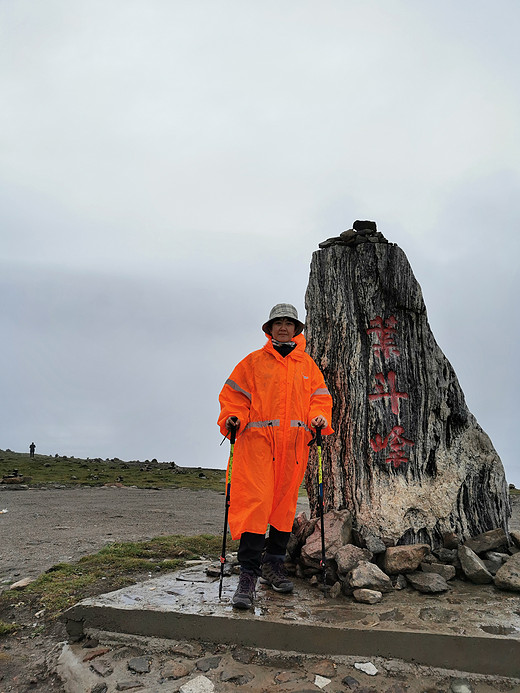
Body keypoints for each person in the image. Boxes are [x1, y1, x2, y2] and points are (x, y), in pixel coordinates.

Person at [218, 303, 333, 609]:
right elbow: (234, 398)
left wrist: (319, 418)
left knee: (284, 509)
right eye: (277, 322)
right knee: (256, 508)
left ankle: (274, 565)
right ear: (269, 330)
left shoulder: (308, 366)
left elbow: (320, 400)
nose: (283, 327)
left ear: (297, 329)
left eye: (289, 322)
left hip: (293, 449)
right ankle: (248, 577)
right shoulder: (252, 363)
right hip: (257, 447)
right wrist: (233, 418)